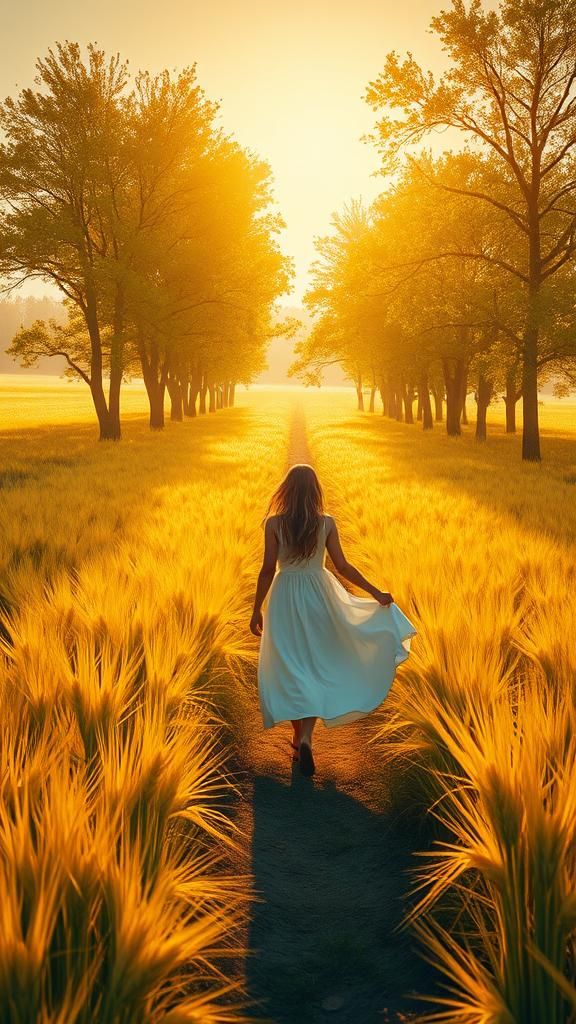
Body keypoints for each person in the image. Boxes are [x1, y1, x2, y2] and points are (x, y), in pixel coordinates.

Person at [249, 463, 417, 777]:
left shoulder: (273, 524)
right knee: (314, 665)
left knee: (291, 667)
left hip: (284, 597)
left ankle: (298, 739)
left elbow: (267, 569)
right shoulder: (326, 523)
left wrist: (256, 608)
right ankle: (306, 738)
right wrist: (376, 592)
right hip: (318, 595)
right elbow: (343, 566)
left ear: (286, 490)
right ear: (315, 492)